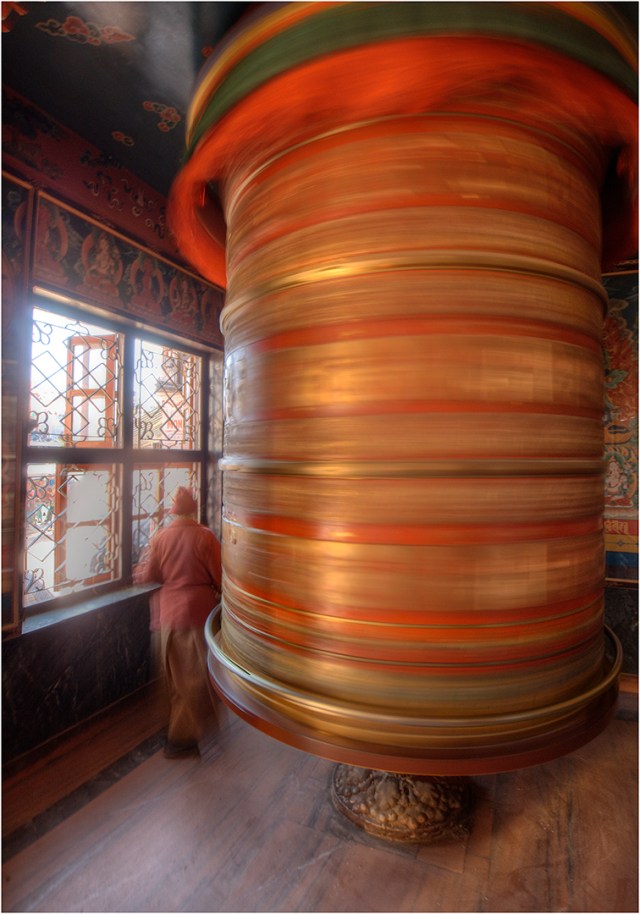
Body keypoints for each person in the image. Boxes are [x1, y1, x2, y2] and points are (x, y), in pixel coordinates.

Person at [134, 486, 221, 758]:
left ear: (173, 511)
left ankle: (181, 732)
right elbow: (220, 577)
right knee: (194, 679)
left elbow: (150, 574)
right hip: (197, 614)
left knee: (174, 679)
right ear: (193, 508)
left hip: (167, 615)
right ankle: (181, 739)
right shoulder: (204, 537)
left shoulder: (161, 537)